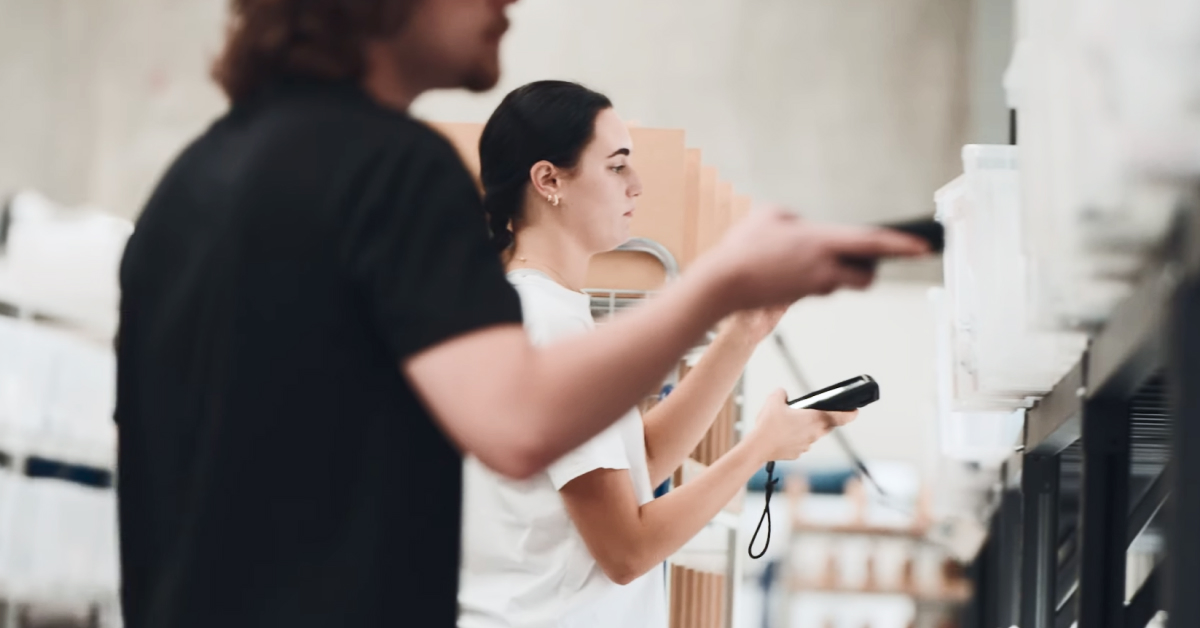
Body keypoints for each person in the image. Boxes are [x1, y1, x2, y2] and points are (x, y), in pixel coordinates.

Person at [114, 1, 927, 627]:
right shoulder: (390, 172)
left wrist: (738, 329)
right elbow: (523, 425)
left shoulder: (195, 182)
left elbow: (604, 447)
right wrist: (721, 293)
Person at [457, 81, 858, 628]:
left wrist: (743, 333)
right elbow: (626, 550)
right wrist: (759, 447)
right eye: (616, 166)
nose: (637, 185)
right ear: (549, 180)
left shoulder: (538, 312)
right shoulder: (550, 327)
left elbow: (636, 463)